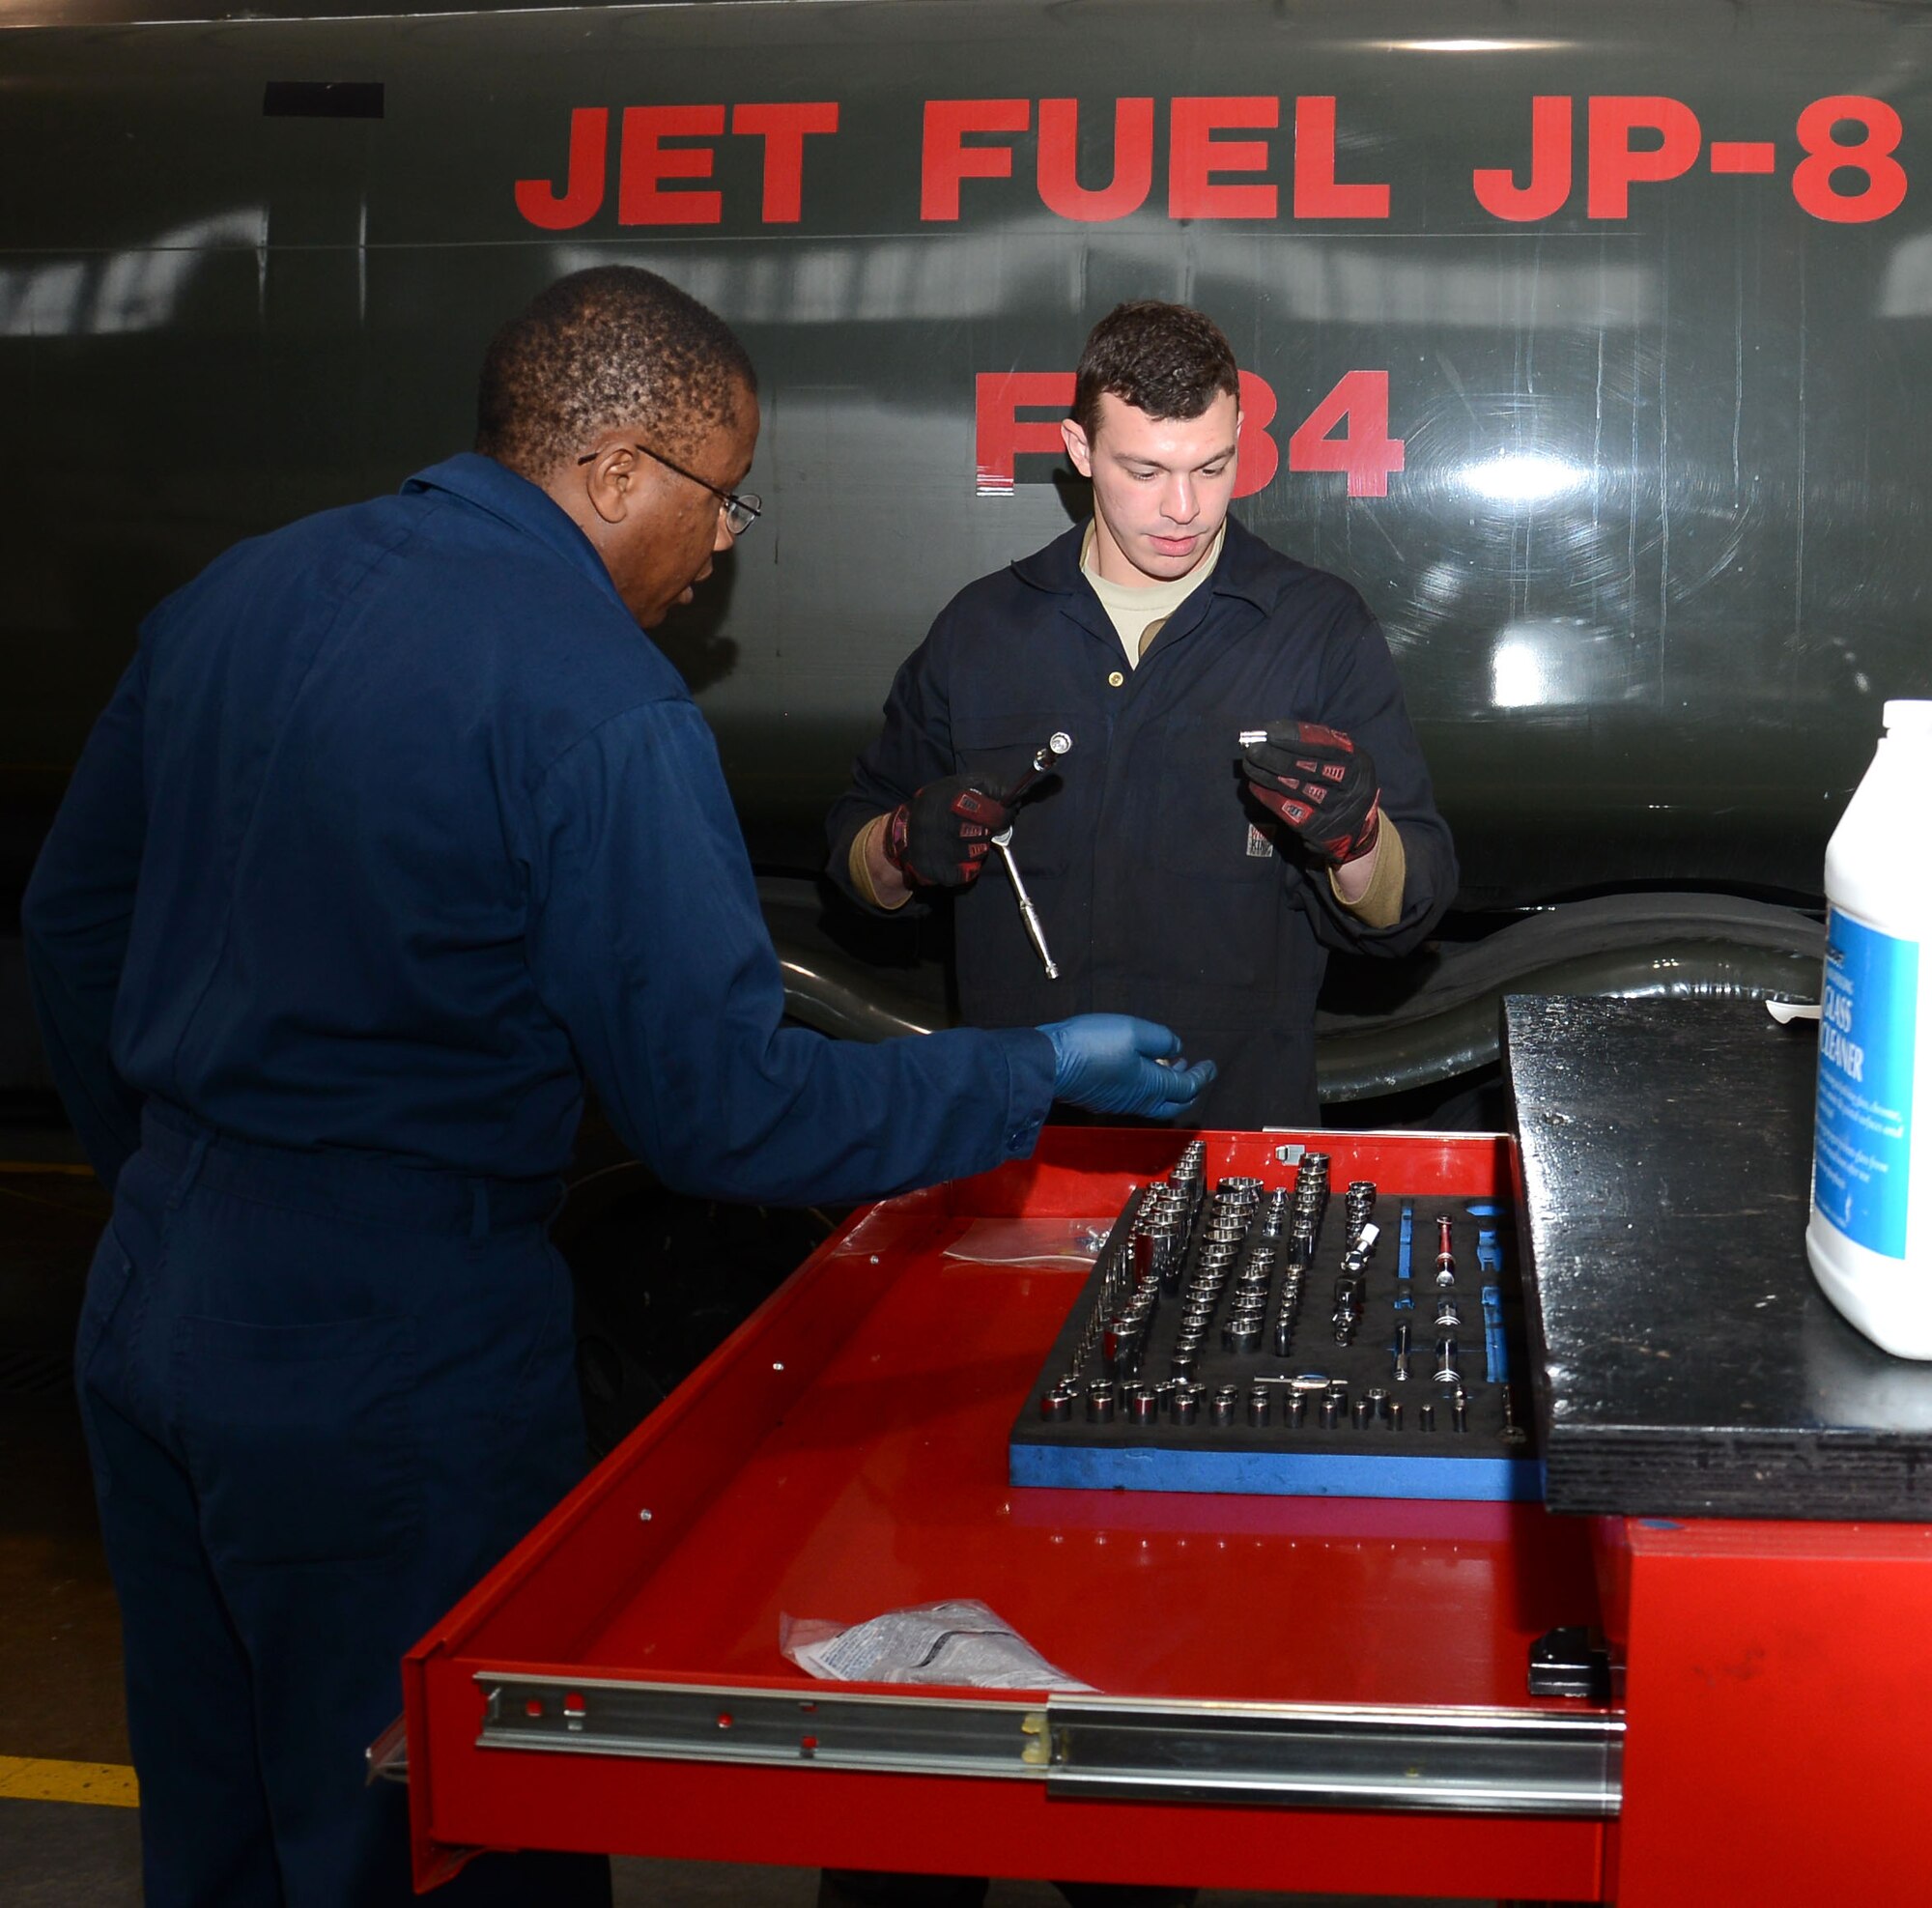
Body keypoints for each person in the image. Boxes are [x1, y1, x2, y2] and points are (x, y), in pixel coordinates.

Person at [20, 267, 1213, 1908]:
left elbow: (73, 926)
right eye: (722, 497)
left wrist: (170, 1188)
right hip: (391, 1353)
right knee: (436, 1833)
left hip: (149, 1306)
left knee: (222, 1836)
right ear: (616, 472)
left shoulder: (237, 594)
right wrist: (1021, 1073)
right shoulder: (601, 707)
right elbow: (724, 1112)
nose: (724, 544)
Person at [828, 300, 1458, 1130]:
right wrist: (903, 846)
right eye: (1147, 471)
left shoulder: (1316, 628)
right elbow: (849, 857)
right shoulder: (982, 631)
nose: (1185, 509)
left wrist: (1358, 840)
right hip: (1018, 1155)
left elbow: (1412, 911)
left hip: (1232, 1155)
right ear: (1080, 450)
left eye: (1213, 466)